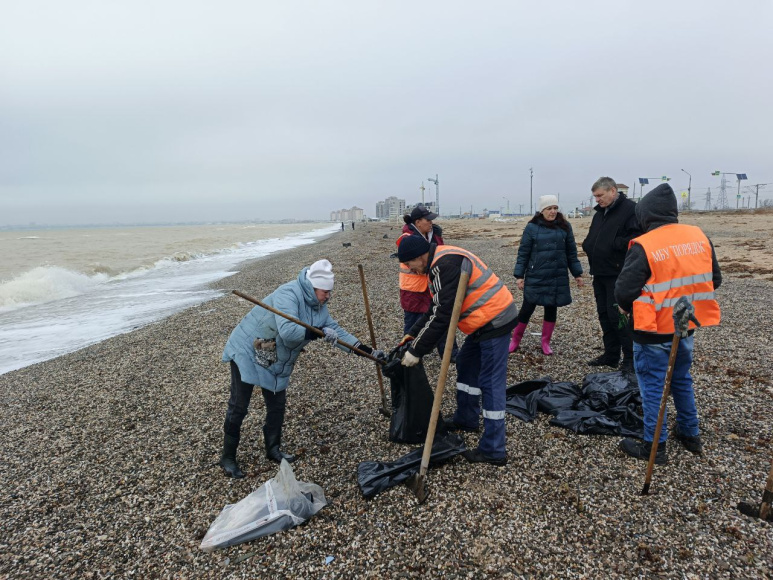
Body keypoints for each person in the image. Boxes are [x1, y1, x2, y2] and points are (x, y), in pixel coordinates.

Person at [219, 259, 384, 478]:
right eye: (324, 292)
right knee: (240, 405)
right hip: (249, 347)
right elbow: (289, 332)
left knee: (277, 402)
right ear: (312, 287)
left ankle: (273, 449)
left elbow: (335, 330)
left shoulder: (318, 305)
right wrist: (317, 332)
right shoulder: (288, 294)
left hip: (273, 352)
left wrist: (367, 351)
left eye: (329, 292)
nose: (328, 296)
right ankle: (228, 457)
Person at [615, 184, 721, 463]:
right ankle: (690, 434)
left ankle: (654, 446)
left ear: (645, 215)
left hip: (652, 331)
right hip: (685, 327)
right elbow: (715, 280)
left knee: (653, 387)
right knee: (681, 379)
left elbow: (624, 291)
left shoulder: (645, 244)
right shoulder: (699, 237)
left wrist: (629, 307)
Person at [396, 236, 518, 465]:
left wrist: (417, 351)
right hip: (480, 323)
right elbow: (435, 307)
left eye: (408, 264)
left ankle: (494, 449)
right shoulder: (436, 263)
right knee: (465, 363)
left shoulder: (445, 265)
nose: (409, 269)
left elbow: (443, 315)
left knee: (491, 382)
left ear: (418, 257)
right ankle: (467, 418)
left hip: (495, 319)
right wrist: (413, 333)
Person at [510, 195, 584, 355]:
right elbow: (523, 252)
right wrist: (519, 275)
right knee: (527, 309)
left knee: (551, 308)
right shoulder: (531, 227)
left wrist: (577, 274)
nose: (553, 211)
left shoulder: (565, 226)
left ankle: (545, 342)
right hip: (536, 274)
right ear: (542, 210)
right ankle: (515, 340)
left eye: (555, 208)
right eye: (549, 208)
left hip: (556, 275)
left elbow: (572, 252)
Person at [581, 177, 641, 373]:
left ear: (613, 191)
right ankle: (611, 354)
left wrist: (614, 244)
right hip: (599, 272)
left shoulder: (630, 210)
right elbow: (596, 237)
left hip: (618, 272)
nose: (597, 199)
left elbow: (637, 238)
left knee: (619, 317)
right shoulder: (599, 213)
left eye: (600, 195)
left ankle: (630, 359)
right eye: (595, 196)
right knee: (604, 315)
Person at [396, 206, 458, 360]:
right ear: (418, 222)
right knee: (413, 322)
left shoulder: (434, 234)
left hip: (432, 284)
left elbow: (439, 254)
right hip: (413, 289)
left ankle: (449, 352)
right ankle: (406, 353)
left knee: (441, 315)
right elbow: (412, 264)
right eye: (428, 220)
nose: (431, 222)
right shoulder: (407, 238)